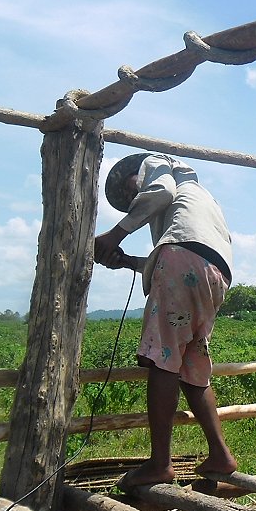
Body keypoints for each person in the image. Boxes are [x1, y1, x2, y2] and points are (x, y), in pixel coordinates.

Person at [94, 152, 238, 489]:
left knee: (162, 361)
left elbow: (159, 195)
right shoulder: (203, 202)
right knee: (191, 367)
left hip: (181, 260)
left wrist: (114, 235)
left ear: (134, 174)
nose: (134, 200)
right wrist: (128, 261)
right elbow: (190, 260)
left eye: (131, 194)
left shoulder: (157, 165)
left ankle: (160, 464)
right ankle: (220, 453)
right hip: (215, 275)